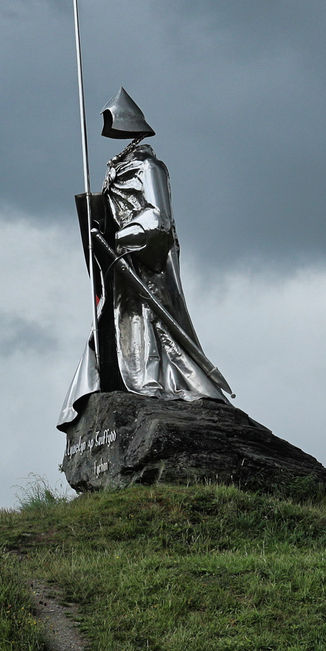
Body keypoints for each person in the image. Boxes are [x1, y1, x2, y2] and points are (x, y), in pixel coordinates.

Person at [58, 89, 233, 430]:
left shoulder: (149, 167)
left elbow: (159, 220)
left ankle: (156, 381)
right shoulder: (118, 169)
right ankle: (106, 386)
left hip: (144, 263)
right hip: (118, 266)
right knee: (110, 323)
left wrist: (119, 237)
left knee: (152, 323)